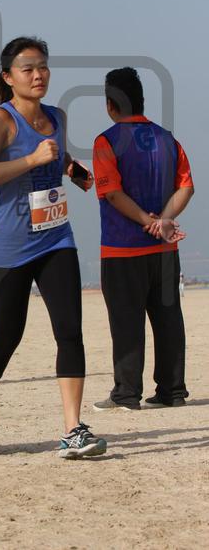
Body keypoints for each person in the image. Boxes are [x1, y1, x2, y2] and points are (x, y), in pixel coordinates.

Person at [0, 36, 107, 460]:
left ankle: (72, 429)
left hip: (56, 237)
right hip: (11, 245)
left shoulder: (57, 116)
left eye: (42, 66)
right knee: (8, 335)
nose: (38, 75)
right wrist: (32, 160)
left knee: (70, 331)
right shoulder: (0, 120)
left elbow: (56, 156)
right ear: (9, 78)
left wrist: (75, 171)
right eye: (28, 69)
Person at [92, 68, 194, 412]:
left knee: (126, 321)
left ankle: (126, 393)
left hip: (122, 248)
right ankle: (172, 390)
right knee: (168, 318)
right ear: (141, 101)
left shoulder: (106, 142)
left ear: (110, 105)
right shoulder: (168, 139)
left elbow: (113, 193)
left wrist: (147, 222)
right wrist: (163, 221)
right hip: (164, 249)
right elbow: (186, 187)